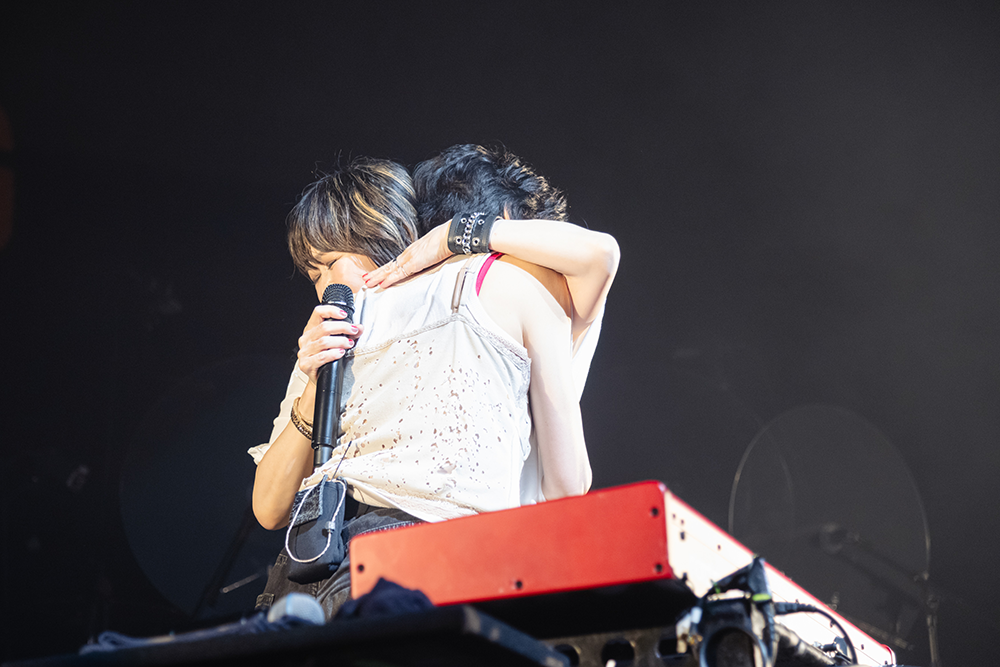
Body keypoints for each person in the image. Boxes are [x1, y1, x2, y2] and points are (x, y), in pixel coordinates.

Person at [248, 156, 593, 619]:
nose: (325, 287)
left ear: (386, 235)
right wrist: (313, 386)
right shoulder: (323, 341)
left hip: (387, 561)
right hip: (338, 559)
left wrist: (450, 239)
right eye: (314, 276)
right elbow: (269, 507)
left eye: (330, 264)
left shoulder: (478, 287)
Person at [363, 144, 619, 504]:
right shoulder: (526, 287)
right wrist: (458, 235)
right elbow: (569, 482)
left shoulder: (389, 305)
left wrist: (451, 236)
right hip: (502, 522)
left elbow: (599, 254)